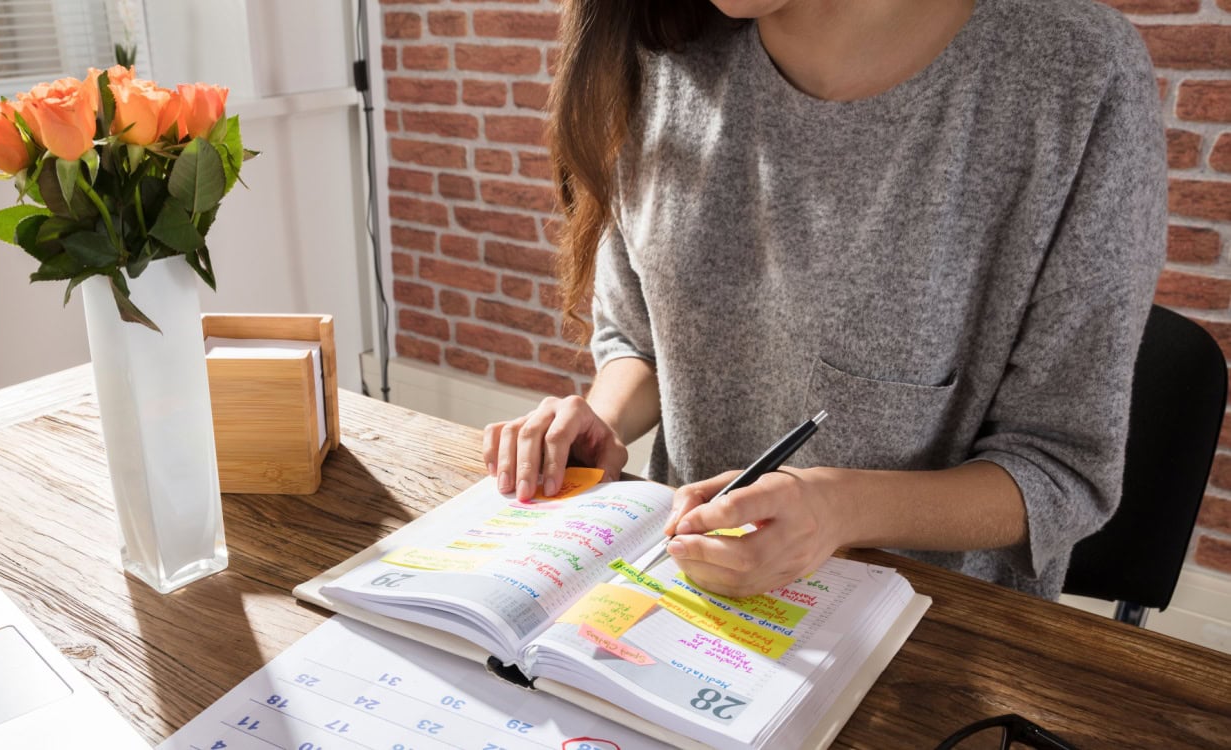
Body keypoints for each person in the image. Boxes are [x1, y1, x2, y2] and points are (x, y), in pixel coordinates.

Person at [480, 0, 1165, 600]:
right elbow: (641, 342)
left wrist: (838, 510)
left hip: (929, 638)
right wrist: (600, 422)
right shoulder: (660, 57)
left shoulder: (1074, 75)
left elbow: (1061, 468)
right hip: (680, 596)